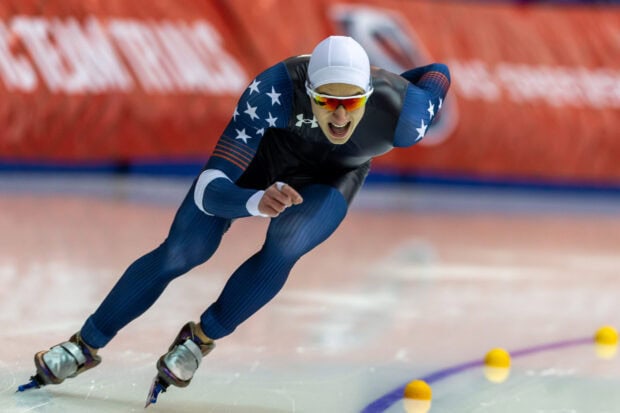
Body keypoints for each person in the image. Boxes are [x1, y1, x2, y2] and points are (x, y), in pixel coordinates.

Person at [19, 35, 451, 404]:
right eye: (327, 102)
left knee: (289, 239)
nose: (339, 117)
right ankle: (84, 345)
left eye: (351, 103)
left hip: (335, 176)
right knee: (185, 248)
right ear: (309, 93)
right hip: (262, 163)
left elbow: (438, 71)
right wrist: (254, 200)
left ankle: (200, 338)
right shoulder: (273, 91)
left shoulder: (405, 117)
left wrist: (390, 78)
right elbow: (210, 189)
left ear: (368, 97)